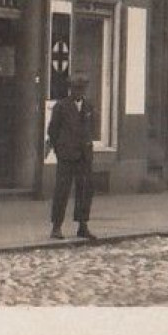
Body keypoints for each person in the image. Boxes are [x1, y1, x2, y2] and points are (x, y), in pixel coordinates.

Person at [47, 75, 97, 240]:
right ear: (70, 89)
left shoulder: (89, 107)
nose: (79, 92)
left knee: (85, 191)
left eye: (82, 89)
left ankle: (83, 225)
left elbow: (92, 128)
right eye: (76, 88)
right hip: (67, 156)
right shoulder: (61, 107)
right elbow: (52, 130)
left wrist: (89, 145)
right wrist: (59, 149)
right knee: (62, 191)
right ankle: (56, 227)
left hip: (84, 156)